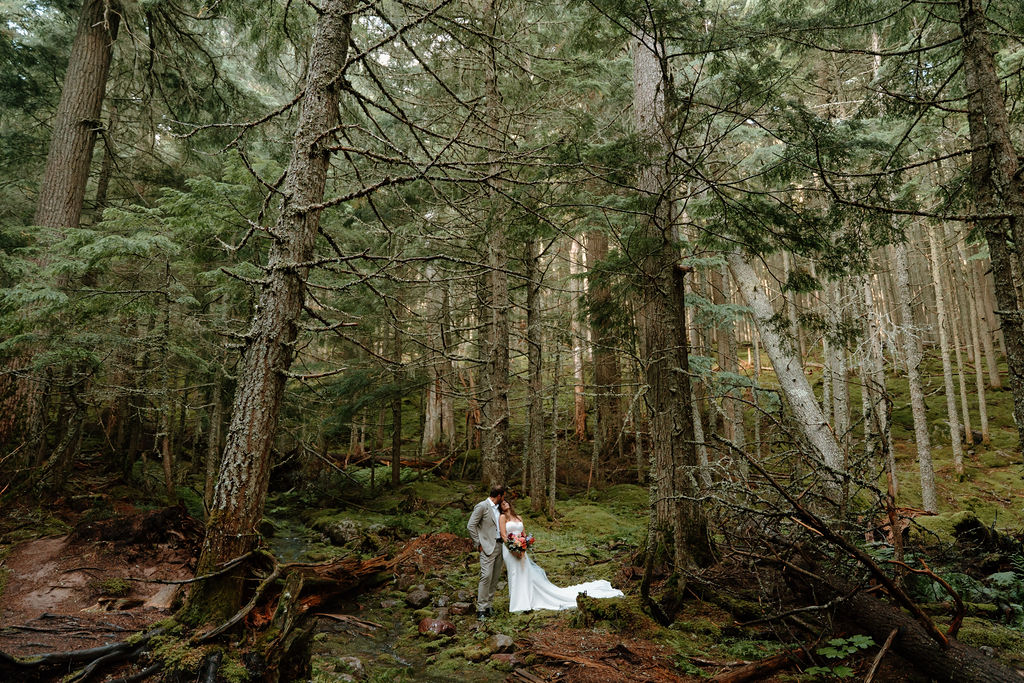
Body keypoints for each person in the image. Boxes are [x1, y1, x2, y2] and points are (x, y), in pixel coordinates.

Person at [499, 498, 624, 613]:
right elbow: (504, 535)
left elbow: (524, 534)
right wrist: (513, 548)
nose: (504, 504)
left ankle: (528, 599)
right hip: (510, 550)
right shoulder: (502, 517)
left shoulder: (519, 517)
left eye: (505, 502)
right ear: (500, 507)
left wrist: (524, 544)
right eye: (501, 503)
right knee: (515, 573)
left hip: (522, 548)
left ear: (509, 503)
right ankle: (518, 604)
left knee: (525, 572)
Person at [466, 485, 505, 619]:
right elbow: (471, 525)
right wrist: (478, 543)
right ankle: (481, 608)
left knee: (494, 577)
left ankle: (489, 605)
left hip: (500, 545)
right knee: (486, 576)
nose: (504, 498)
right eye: (503, 496)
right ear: (499, 496)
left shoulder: (499, 508)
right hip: (487, 547)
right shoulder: (482, 506)